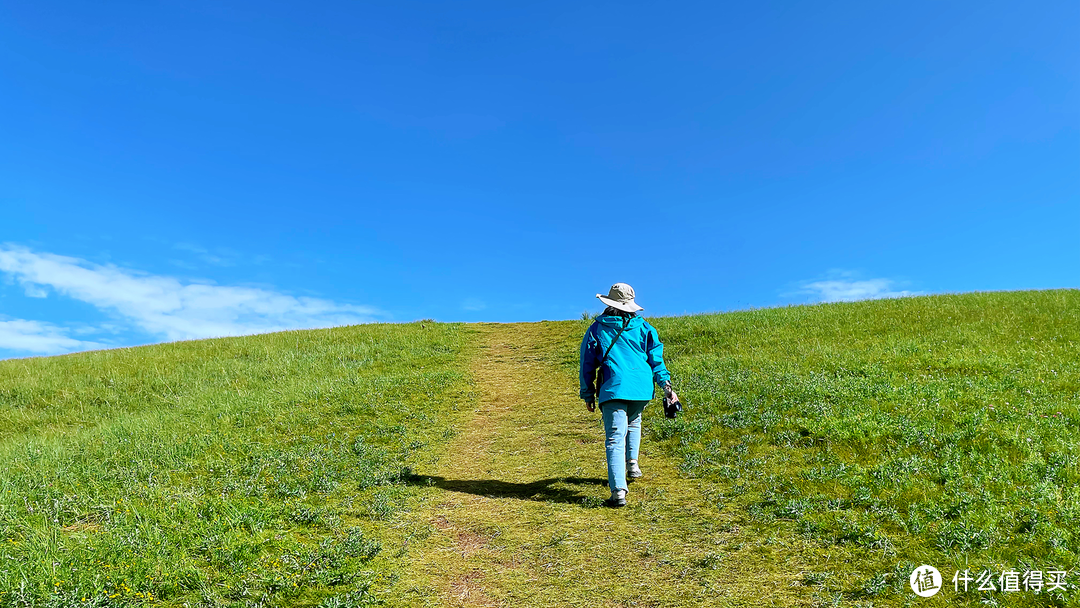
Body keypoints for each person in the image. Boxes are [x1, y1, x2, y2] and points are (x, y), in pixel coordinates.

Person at [579, 283, 678, 507]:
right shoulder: (644, 327)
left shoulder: (597, 328)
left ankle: (618, 492)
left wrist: (587, 394)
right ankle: (632, 465)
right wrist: (666, 386)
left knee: (614, 437)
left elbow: (587, 363)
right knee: (634, 423)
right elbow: (657, 360)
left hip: (613, 387)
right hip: (641, 388)